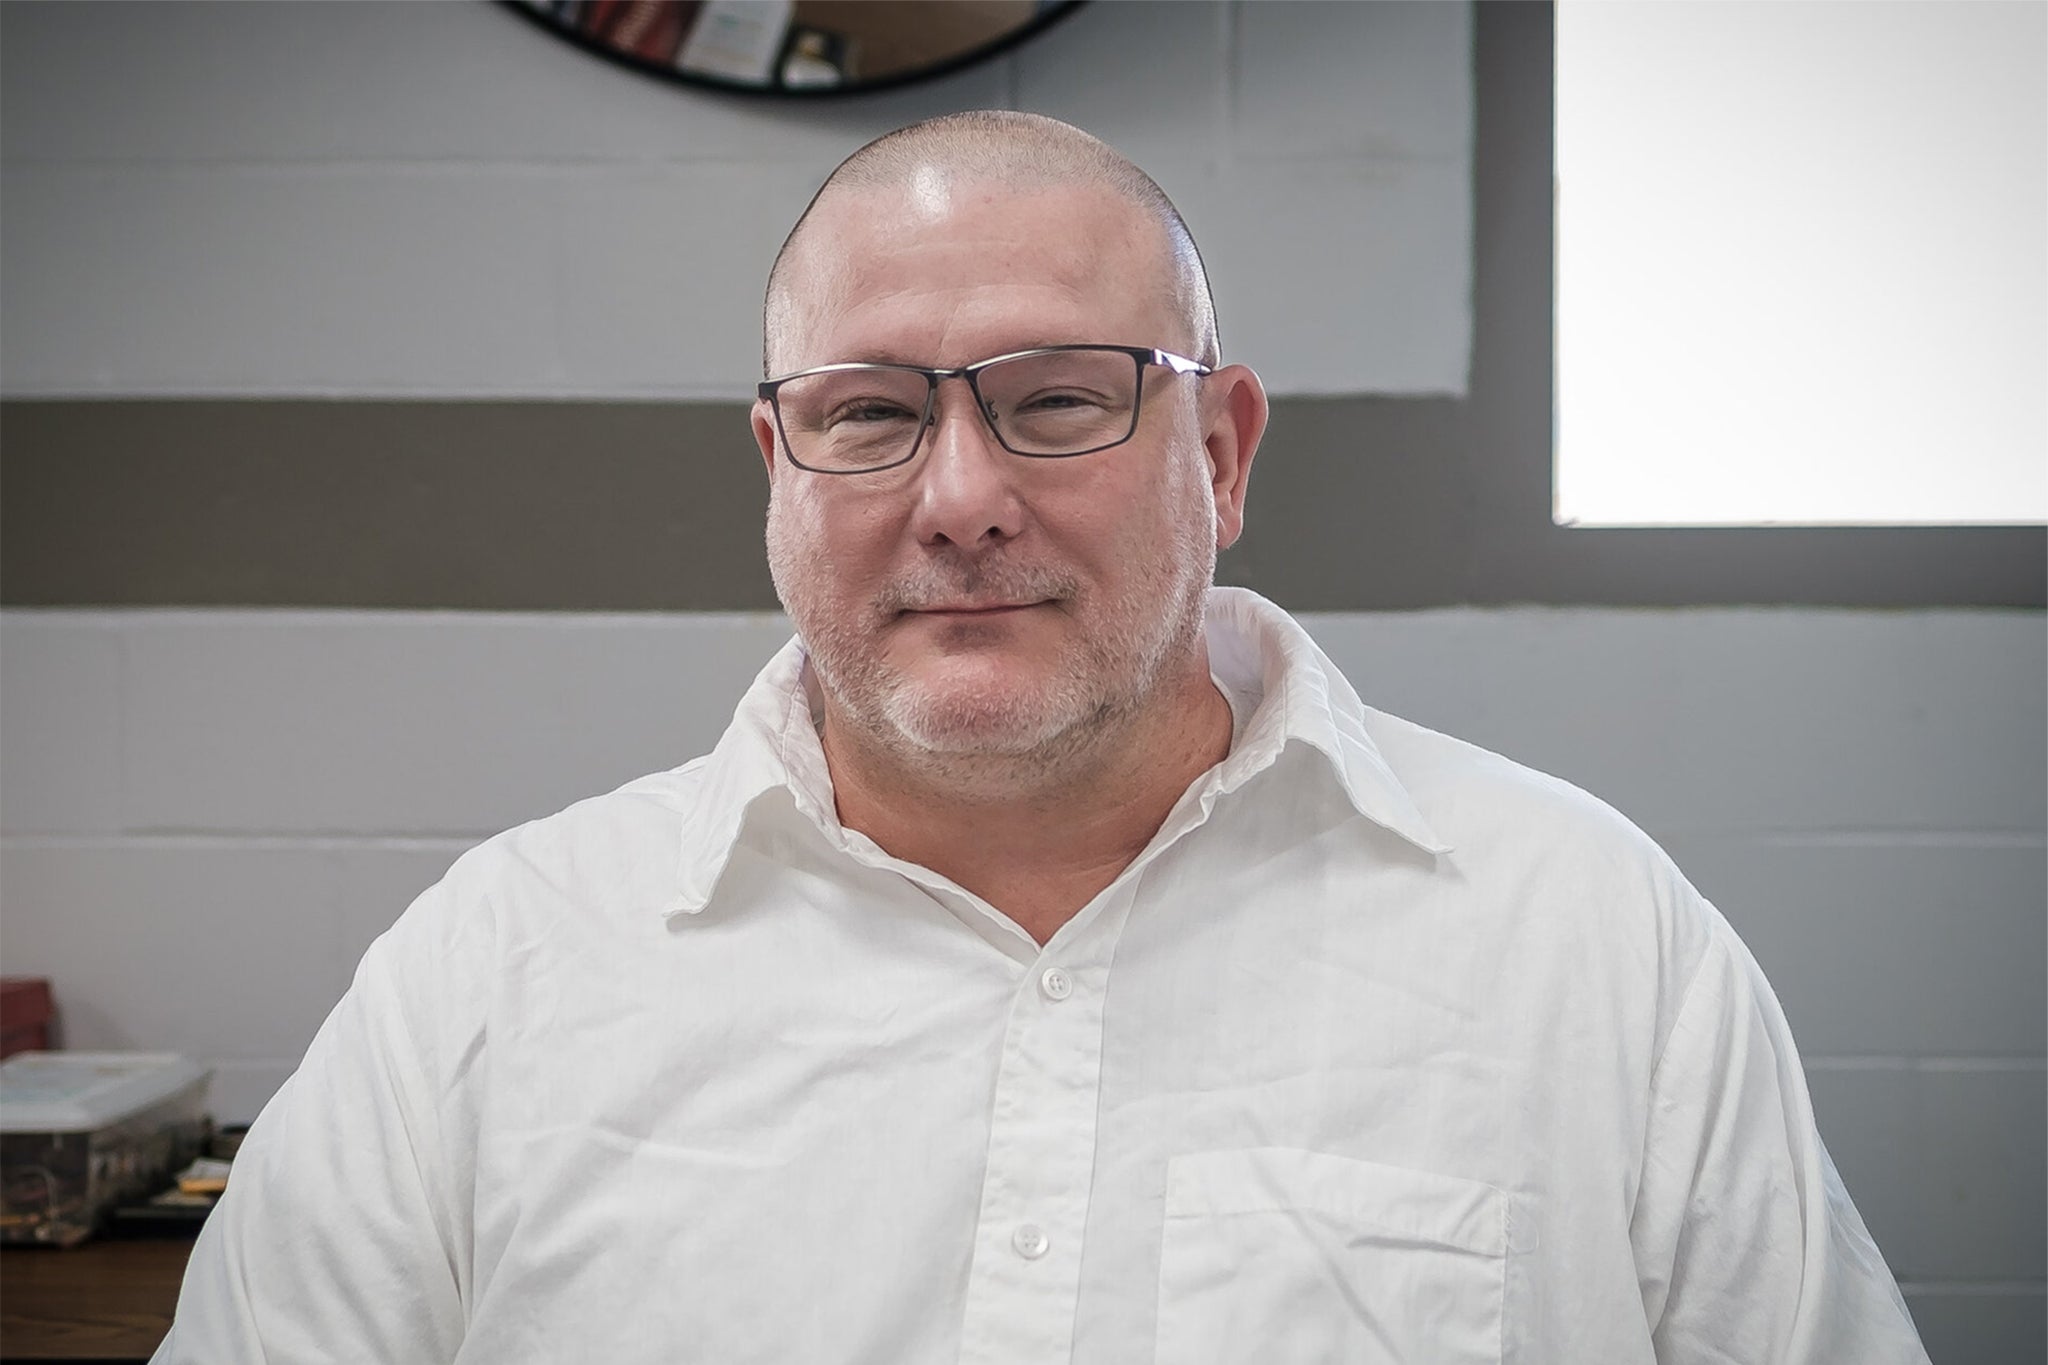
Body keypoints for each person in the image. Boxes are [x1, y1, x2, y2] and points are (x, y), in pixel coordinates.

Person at [155, 111, 1929, 1364]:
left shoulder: (1589, 943)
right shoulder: (496, 973)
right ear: (779, 473)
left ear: (1222, 453)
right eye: (866, 415)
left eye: (1059, 399)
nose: (961, 500)